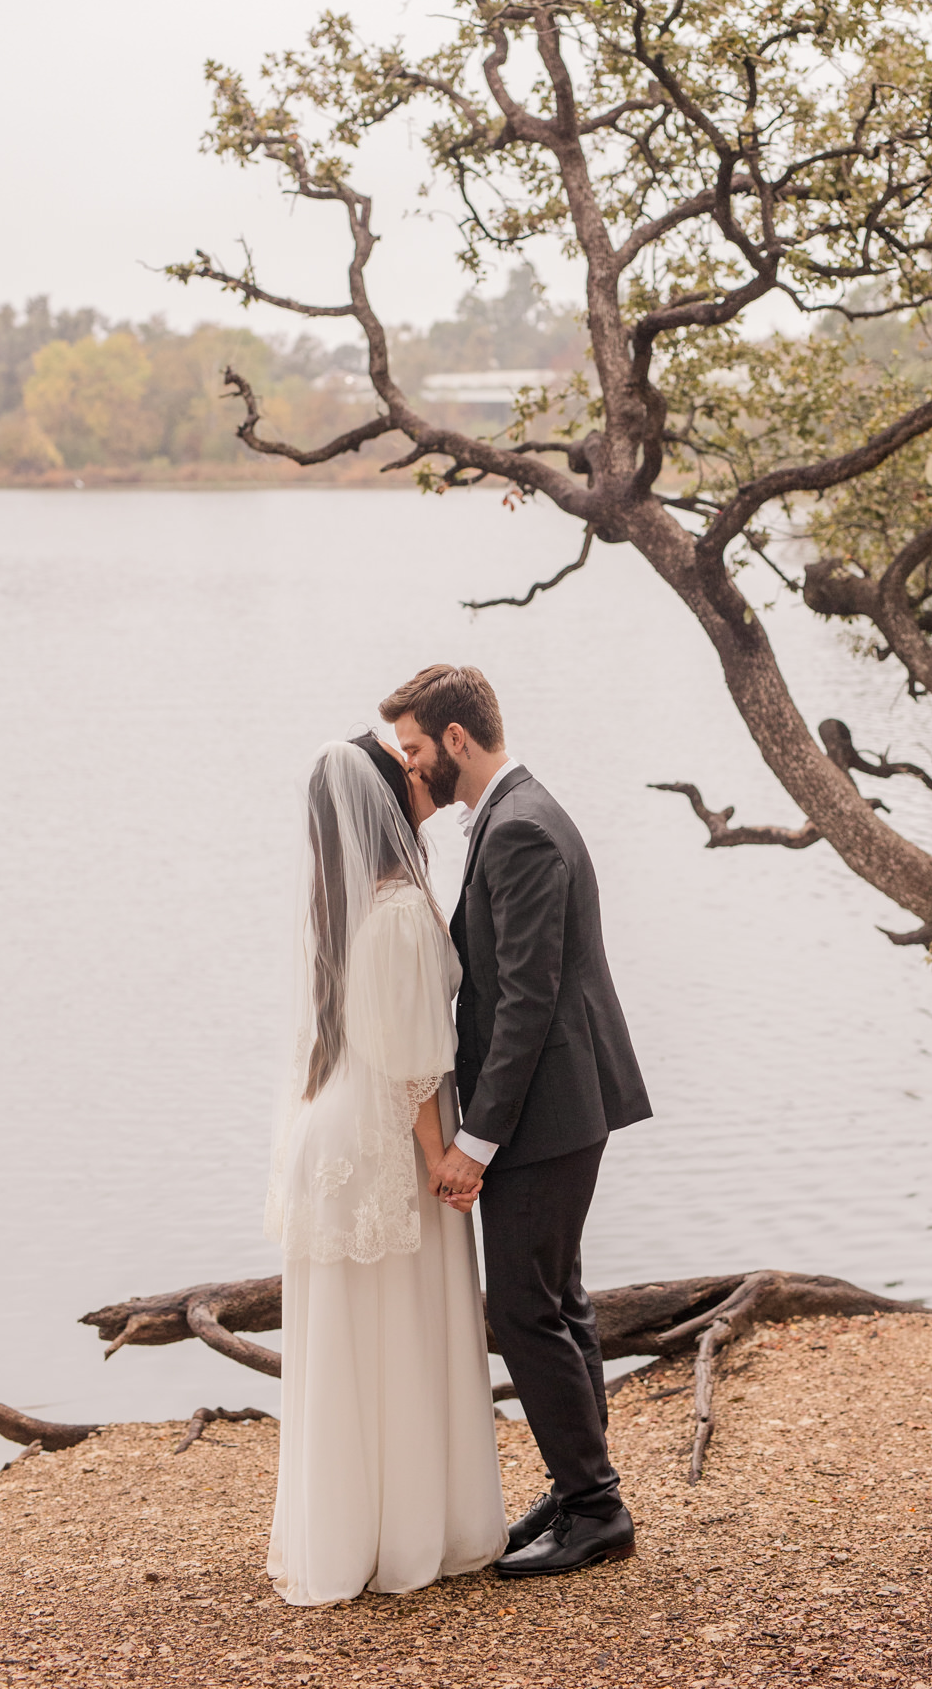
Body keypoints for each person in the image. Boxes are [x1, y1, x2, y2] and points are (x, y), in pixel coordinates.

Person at [379, 664, 652, 1580]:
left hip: (549, 1106)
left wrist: (469, 1144)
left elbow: (526, 1002)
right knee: (558, 1300)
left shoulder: (522, 830)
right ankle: (582, 1487)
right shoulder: (516, 812)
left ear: (456, 739)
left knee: (525, 1308)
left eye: (415, 747)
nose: (411, 766)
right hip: (560, 1100)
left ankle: (596, 1507)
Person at [265, 733, 507, 1606]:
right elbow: (411, 1060)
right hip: (383, 1142)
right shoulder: (401, 906)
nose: (418, 775)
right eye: (402, 771)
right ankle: (411, 1536)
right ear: (376, 803)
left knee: (349, 1347)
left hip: (326, 1136)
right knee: (404, 1333)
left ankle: (341, 1537)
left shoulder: (337, 906)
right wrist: (444, 1157)